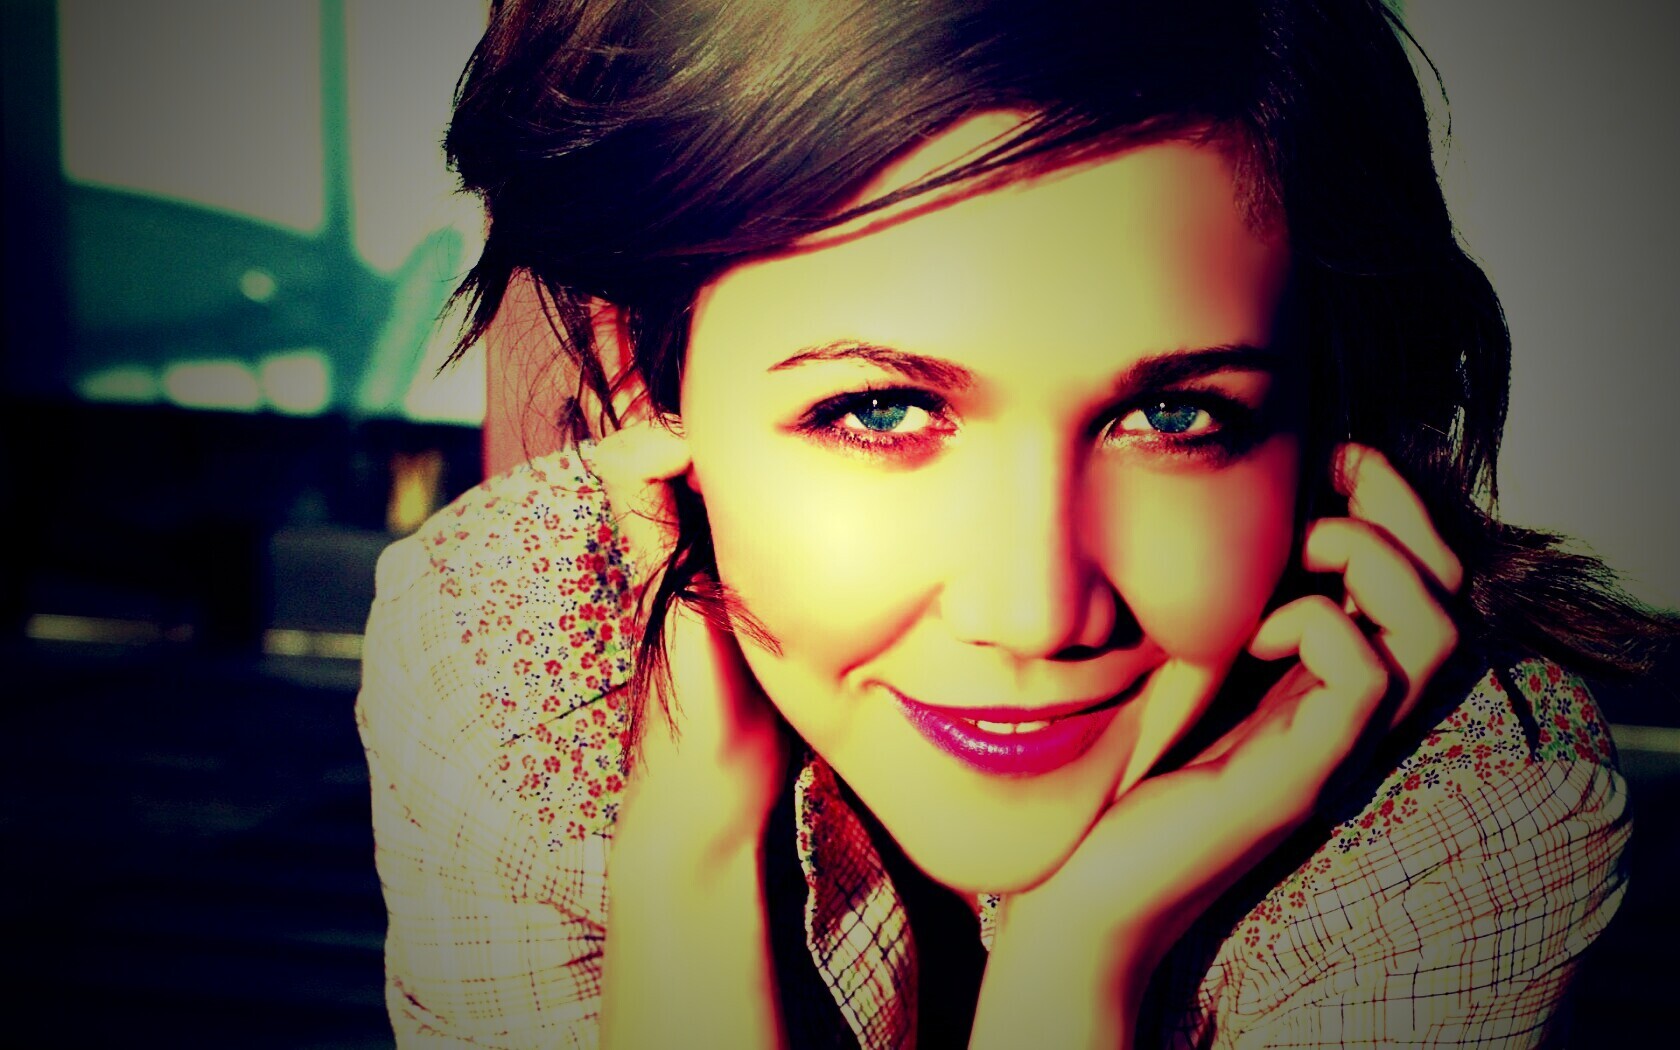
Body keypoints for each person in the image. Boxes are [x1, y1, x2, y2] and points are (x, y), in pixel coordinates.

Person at [355, 1, 1675, 1046]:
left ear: (1318, 417)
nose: (1037, 610)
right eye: (879, 410)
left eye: (1173, 414)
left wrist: (1077, 959)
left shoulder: (1459, 816)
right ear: (640, 376)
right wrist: (688, 855)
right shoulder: (518, 656)